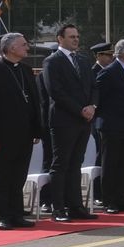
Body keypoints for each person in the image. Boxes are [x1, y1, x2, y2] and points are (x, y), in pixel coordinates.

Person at [0, 32, 42, 228]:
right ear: (12, 48)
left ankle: (16, 214)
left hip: (25, 133)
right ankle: (3, 215)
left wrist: (36, 130)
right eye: (23, 45)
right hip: (3, 135)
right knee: (3, 176)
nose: (27, 48)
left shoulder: (25, 70)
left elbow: (34, 102)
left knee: (19, 176)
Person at [41, 25, 100, 223]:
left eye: (77, 36)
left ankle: (76, 206)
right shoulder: (52, 61)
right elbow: (55, 91)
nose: (76, 40)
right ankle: (58, 207)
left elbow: (94, 86)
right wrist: (80, 109)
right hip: (64, 120)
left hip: (84, 120)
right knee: (61, 164)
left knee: (76, 163)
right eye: (71, 36)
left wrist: (92, 106)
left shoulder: (82, 60)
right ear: (60, 39)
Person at [92, 39, 124, 213]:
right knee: (111, 163)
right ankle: (109, 200)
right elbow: (99, 97)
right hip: (111, 125)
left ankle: (121, 198)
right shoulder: (109, 72)